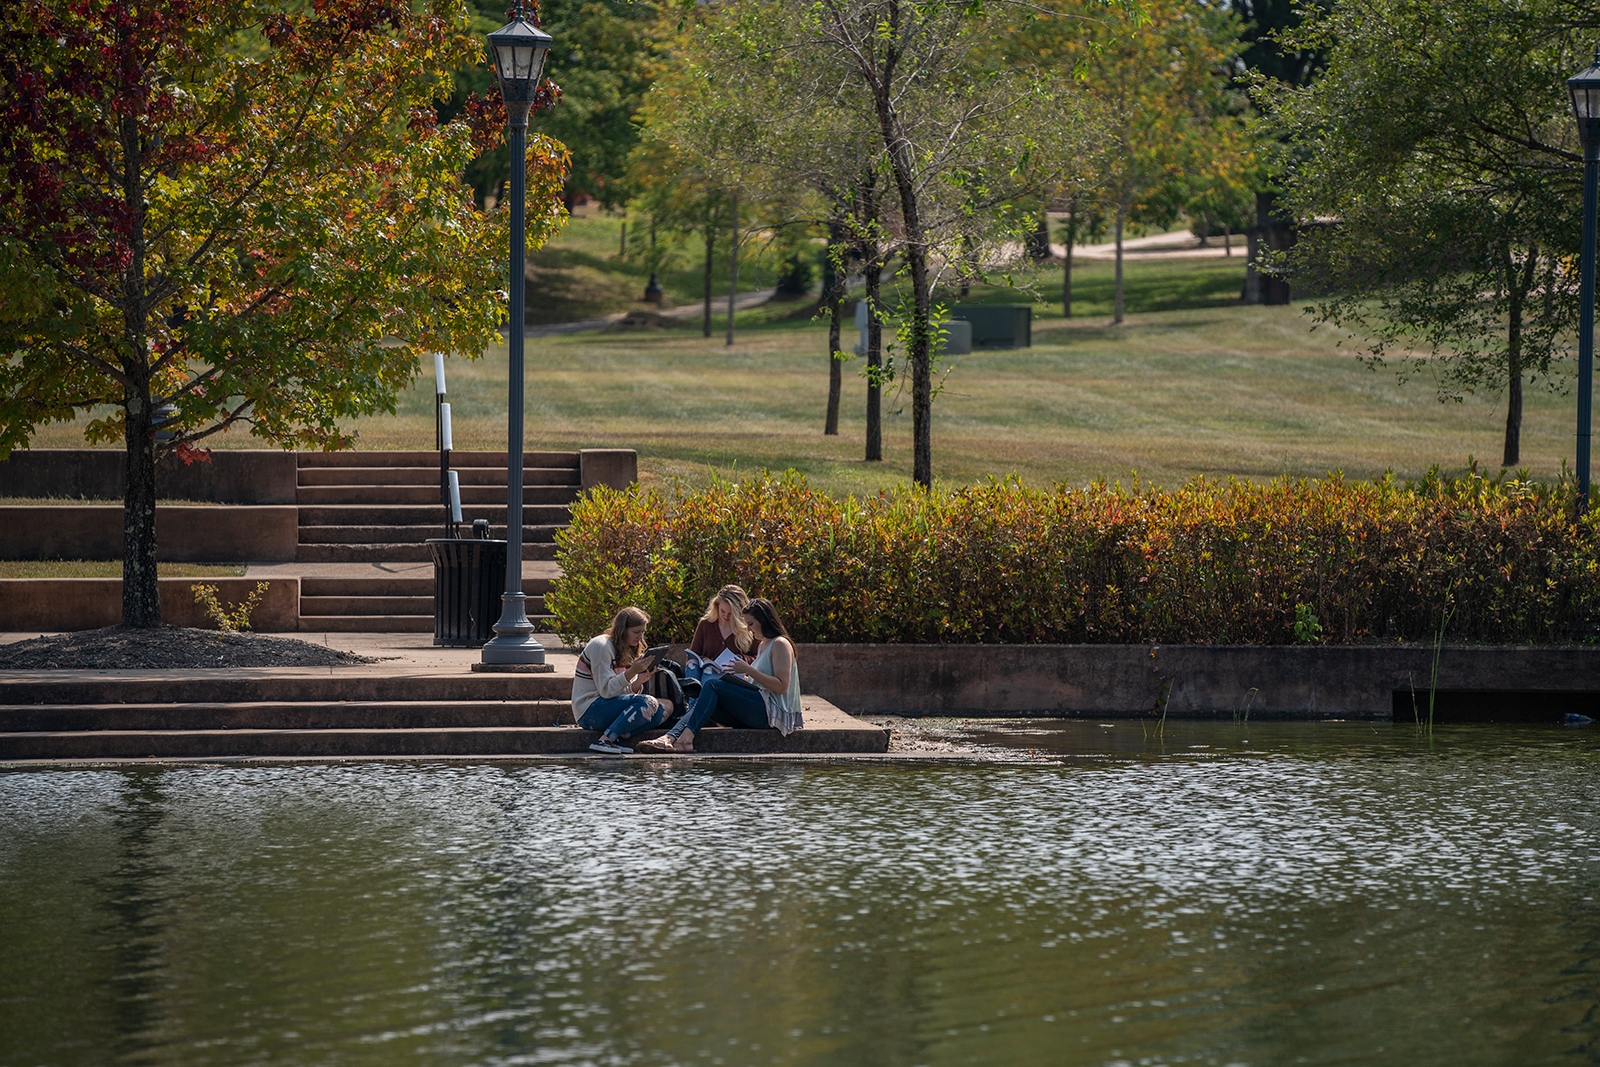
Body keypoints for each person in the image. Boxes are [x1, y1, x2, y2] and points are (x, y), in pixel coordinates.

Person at [638, 597, 801, 753]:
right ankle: (670, 737)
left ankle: (685, 738)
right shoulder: (763, 645)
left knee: (712, 685)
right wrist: (744, 680)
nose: (749, 630)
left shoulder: (780, 644)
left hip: (771, 714)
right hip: (758, 710)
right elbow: (760, 683)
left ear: (764, 621)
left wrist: (749, 670)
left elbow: (781, 686)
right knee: (706, 701)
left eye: (751, 624)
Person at [573, 606, 673, 755]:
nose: (640, 637)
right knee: (647, 702)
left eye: (643, 632)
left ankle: (617, 736)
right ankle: (605, 740)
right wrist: (632, 671)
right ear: (622, 629)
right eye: (636, 632)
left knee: (666, 706)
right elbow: (606, 691)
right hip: (589, 710)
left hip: (610, 705)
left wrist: (639, 681)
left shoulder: (628, 648)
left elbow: (621, 693)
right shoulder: (601, 646)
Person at [684, 584, 753, 683]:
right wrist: (706, 660)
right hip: (704, 673)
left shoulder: (748, 628)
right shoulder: (706, 624)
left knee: (710, 675)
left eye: (731, 614)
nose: (726, 616)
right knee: (694, 666)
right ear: (717, 606)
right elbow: (693, 655)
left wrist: (742, 659)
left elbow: (759, 659)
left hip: (731, 679)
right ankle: (692, 697)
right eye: (723, 611)